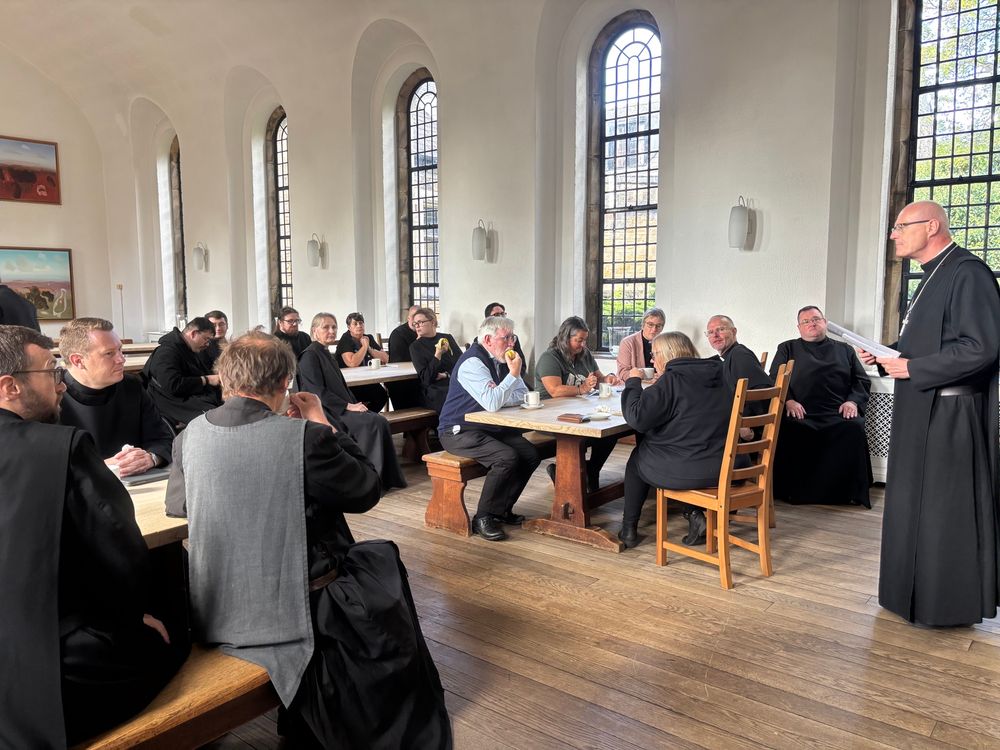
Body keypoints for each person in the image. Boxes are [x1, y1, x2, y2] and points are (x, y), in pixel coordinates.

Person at [164, 332, 451, 748]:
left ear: (225, 379)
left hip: (216, 604)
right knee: (379, 562)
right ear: (285, 384)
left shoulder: (188, 435)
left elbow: (179, 505)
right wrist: (321, 421)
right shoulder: (305, 438)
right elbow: (365, 490)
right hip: (292, 608)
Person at [0, 324, 187, 746]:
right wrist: (134, 615)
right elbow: (118, 551)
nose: (59, 382)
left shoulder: (131, 391)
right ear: (10, 386)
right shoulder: (61, 447)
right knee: (173, 632)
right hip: (50, 664)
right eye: (50, 372)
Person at [859, 200, 1000, 627]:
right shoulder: (933, 275)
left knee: (942, 513)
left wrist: (914, 368)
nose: (893, 234)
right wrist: (889, 358)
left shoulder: (968, 272)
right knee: (914, 508)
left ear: (932, 226)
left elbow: (982, 347)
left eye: (901, 226)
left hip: (951, 416)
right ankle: (911, 597)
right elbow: (940, 343)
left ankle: (945, 605)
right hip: (923, 409)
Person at [619, 332, 735, 549]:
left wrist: (633, 381)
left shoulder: (672, 380)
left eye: (654, 355)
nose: (652, 360)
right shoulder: (720, 372)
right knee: (660, 447)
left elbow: (637, 418)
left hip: (692, 467)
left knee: (638, 458)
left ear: (668, 354)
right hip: (726, 465)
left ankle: (628, 530)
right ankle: (693, 511)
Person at [438, 315, 540, 541]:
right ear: (488, 339)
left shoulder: (501, 359)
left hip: (487, 427)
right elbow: (493, 403)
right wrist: (512, 376)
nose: (512, 343)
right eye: (507, 338)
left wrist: (503, 390)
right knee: (506, 457)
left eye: (513, 337)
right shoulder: (472, 362)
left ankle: (502, 510)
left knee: (531, 454)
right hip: (457, 430)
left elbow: (522, 395)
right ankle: (483, 517)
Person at [769, 306, 872, 507]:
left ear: (825, 322)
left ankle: (846, 493)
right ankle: (794, 493)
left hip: (836, 412)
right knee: (790, 428)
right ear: (799, 328)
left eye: (816, 319)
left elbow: (861, 380)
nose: (812, 323)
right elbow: (775, 378)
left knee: (854, 426)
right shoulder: (787, 348)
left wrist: (852, 401)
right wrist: (788, 400)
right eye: (806, 321)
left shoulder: (845, 349)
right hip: (800, 412)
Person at [298, 313, 407, 491]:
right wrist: (348, 406)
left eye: (334, 327)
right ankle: (371, 480)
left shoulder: (324, 352)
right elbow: (316, 392)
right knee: (373, 423)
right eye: (326, 327)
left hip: (340, 408)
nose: (331, 331)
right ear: (314, 331)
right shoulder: (309, 355)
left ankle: (386, 479)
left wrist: (353, 403)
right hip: (329, 412)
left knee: (379, 420)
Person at [58, 317, 172, 476]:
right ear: (78, 361)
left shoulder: (131, 387)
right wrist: (99, 466)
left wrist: (151, 458)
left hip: (137, 483)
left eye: (120, 350)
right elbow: (45, 464)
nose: (121, 359)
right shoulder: (51, 395)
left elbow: (162, 438)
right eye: (109, 353)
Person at [535, 316, 621, 490]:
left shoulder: (585, 354)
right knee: (586, 435)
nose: (582, 344)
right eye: (578, 340)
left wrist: (608, 379)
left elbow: (598, 379)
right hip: (551, 415)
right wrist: (582, 389)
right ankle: (570, 478)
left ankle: (591, 470)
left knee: (610, 432)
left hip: (578, 410)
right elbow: (555, 390)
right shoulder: (550, 358)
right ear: (565, 338)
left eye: (584, 340)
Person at [143, 317, 223, 427]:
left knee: (226, 408)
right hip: (170, 401)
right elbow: (172, 385)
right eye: (206, 339)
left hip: (188, 396)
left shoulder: (189, 349)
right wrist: (206, 380)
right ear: (194, 333)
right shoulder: (166, 352)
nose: (208, 344)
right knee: (215, 417)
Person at [705, 314, 772, 434]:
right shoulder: (730, 356)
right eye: (710, 332)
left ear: (734, 331)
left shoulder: (740, 355)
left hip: (749, 431)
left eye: (721, 329)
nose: (715, 335)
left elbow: (761, 391)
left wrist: (746, 425)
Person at [408, 307, 462, 414]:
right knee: (449, 396)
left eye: (420, 322)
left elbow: (462, 365)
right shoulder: (415, 346)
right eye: (415, 324)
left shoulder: (447, 338)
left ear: (432, 322)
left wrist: (446, 375)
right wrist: (438, 355)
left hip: (453, 382)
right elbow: (426, 378)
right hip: (434, 390)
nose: (417, 326)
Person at [336, 311, 389, 412]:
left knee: (382, 395)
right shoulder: (346, 340)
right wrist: (364, 347)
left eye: (361, 323)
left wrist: (369, 348)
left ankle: (368, 417)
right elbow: (352, 363)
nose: (359, 326)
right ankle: (366, 418)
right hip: (350, 384)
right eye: (355, 324)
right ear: (349, 327)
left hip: (367, 379)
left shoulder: (368, 338)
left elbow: (386, 358)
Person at [386, 304, 423, 409]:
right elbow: (400, 362)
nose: (416, 321)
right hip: (401, 379)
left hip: (419, 375)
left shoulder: (424, 332)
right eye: (413, 317)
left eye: (419, 318)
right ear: (408, 318)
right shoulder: (398, 334)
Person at [616, 308, 665, 381]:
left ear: (662, 327)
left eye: (658, 326)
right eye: (650, 325)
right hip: (635, 386)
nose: (654, 329)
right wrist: (643, 377)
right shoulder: (628, 343)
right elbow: (622, 373)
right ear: (643, 325)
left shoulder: (666, 343)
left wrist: (662, 376)